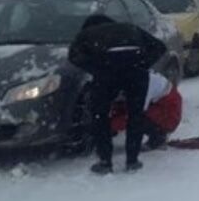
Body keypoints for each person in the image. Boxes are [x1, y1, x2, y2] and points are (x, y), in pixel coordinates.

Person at [67, 15, 166, 174]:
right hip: (136, 74)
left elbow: (73, 56)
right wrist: (141, 63)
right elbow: (160, 47)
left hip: (106, 74)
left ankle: (105, 162)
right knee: (135, 115)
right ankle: (132, 161)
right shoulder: (130, 27)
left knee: (100, 116)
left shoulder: (87, 33)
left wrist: (96, 68)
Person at [109, 70, 182, 150]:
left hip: (169, 112)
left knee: (136, 119)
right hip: (160, 105)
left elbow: (135, 114)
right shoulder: (136, 77)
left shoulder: (143, 85)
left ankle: (158, 137)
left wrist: (110, 125)